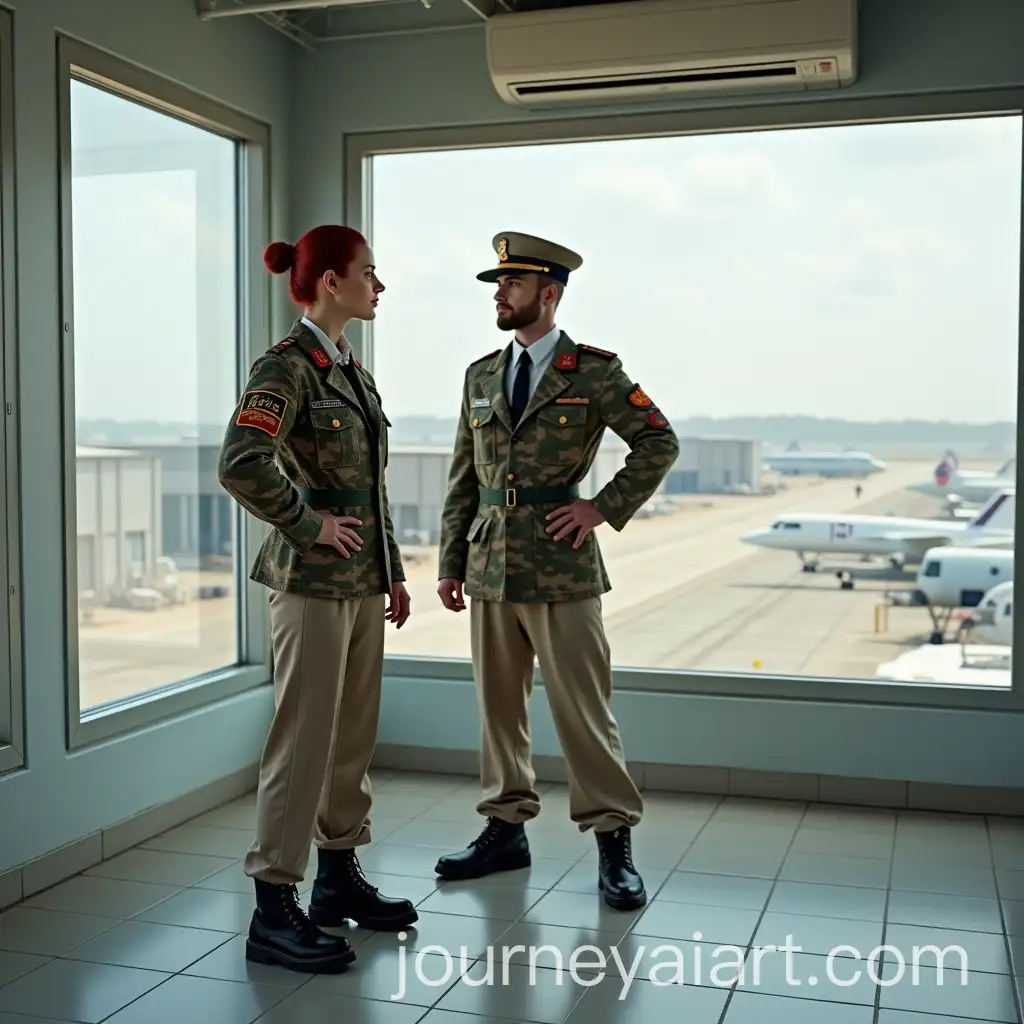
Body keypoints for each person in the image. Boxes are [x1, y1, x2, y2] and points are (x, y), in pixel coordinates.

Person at [434, 231, 680, 910]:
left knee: (583, 712)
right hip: (489, 567)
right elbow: (464, 476)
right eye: (496, 285)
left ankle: (612, 842)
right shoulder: (480, 375)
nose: (499, 295)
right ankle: (504, 828)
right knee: (499, 712)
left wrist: (601, 508)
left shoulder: (593, 370)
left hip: (562, 567)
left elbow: (658, 441)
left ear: (550, 293)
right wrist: (451, 560)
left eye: (511, 285)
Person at [218, 224, 418, 974]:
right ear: (330, 282)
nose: (379, 283)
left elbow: (370, 486)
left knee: (352, 737)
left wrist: (391, 570)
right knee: (302, 741)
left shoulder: (353, 372)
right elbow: (241, 464)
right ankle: (274, 904)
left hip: (362, 579)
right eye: (370, 272)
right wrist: (305, 522)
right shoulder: (287, 367)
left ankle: (336, 878)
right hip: (309, 580)